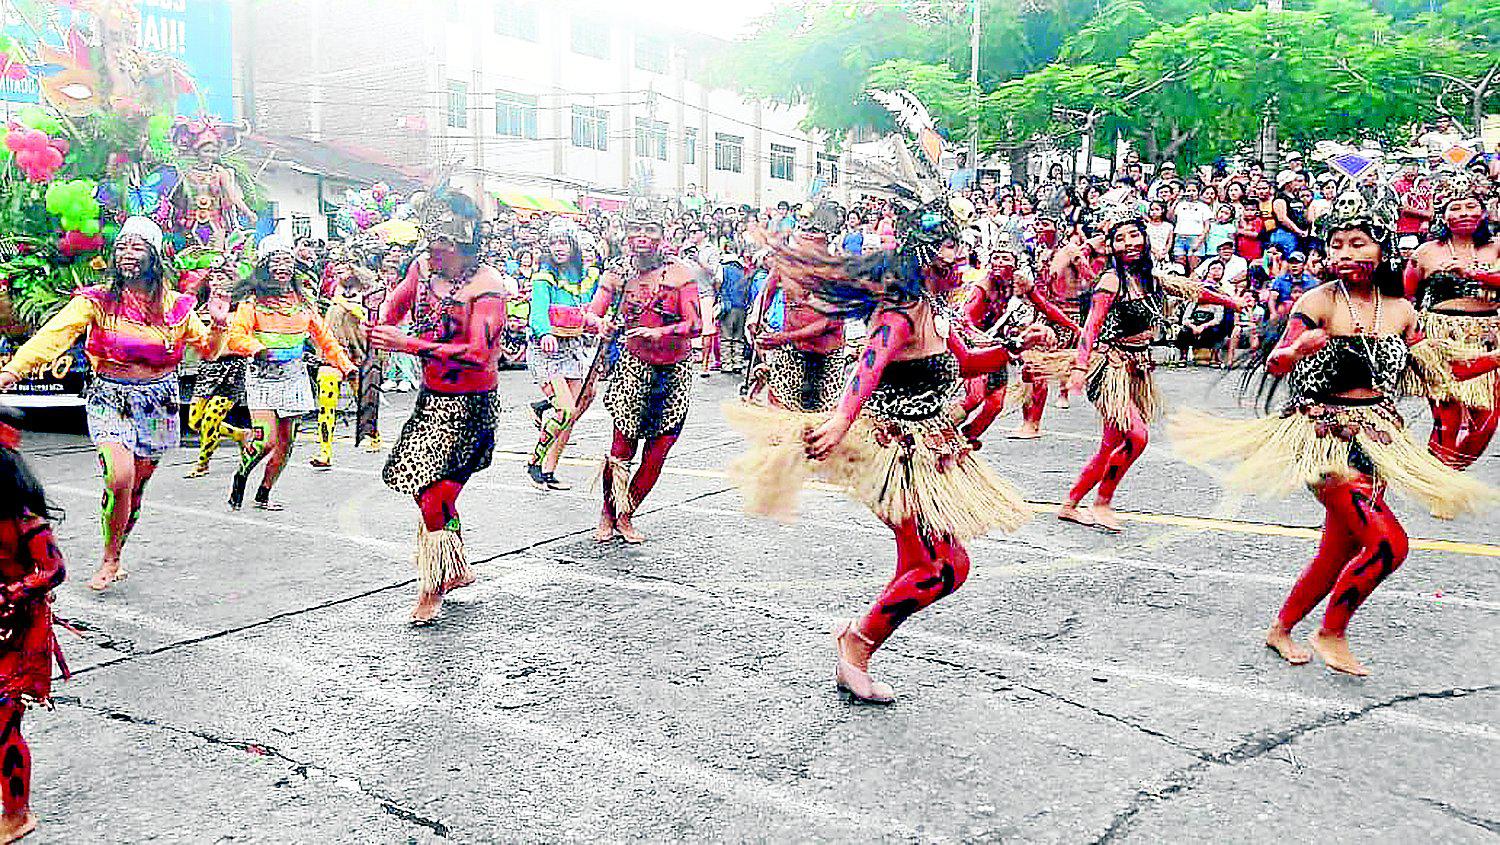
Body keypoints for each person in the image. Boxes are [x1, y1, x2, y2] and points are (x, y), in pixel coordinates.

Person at [1171, 190, 1500, 675]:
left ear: (1383, 246)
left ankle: (1281, 629)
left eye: (1357, 243)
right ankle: (1332, 632)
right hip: (1324, 442)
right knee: (1390, 545)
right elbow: (1279, 362)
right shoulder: (1317, 301)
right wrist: (1299, 345)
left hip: (1381, 442)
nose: (1344, 254)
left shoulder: (1401, 311)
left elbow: (1443, 369)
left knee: (1338, 550)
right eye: (1337, 245)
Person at [724, 194, 1029, 703]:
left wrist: (1015, 349)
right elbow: (871, 358)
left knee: (925, 567)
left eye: (961, 253)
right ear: (926, 255)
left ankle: (855, 645)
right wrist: (842, 418)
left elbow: (968, 365)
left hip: (931, 449)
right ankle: (856, 648)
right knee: (944, 568)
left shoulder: (931, 308)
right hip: (894, 451)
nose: (960, 265)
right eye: (951, 254)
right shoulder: (900, 312)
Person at [0, 218, 229, 590]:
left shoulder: (177, 308)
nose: (127, 254)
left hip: (159, 402)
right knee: (118, 476)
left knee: (135, 488)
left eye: (137, 248)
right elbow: (54, 336)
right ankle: (109, 559)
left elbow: (209, 351)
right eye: (122, 247)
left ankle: (116, 552)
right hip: (110, 395)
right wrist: (11, 373)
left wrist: (219, 326)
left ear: (155, 256)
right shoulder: (98, 301)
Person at [1047, 207, 1244, 532]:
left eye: (1134, 235)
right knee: (1137, 437)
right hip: (1109, 369)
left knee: (1110, 446)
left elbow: (1193, 290)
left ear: (1145, 238)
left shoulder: (1151, 279)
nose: (1128, 243)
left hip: (1137, 368)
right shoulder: (1111, 281)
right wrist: (1080, 367)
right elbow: (1091, 327)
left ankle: (1070, 503)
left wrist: (1233, 303)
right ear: (1111, 246)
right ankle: (1102, 502)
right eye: (1119, 238)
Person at [372, 190, 510, 624]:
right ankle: (456, 566)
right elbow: (391, 309)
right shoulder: (420, 269)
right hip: (432, 401)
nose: (429, 251)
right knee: (419, 487)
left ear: (461, 244)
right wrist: (372, 323)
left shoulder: (487, 288)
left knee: (436, 494)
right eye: (428, 242)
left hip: (472, 407)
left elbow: (478, 353)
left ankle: (433, 585)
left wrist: (407, 344)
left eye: (438, 245)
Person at [587, 191, 702, 544]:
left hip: (674, 372)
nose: (642, 236)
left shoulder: (681, 274)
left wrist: (659, 332)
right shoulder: (618, 274)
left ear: (662, 234)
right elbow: (592, 312)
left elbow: (695, 325)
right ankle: (608, 512)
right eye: (636, 228)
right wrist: (599, 324)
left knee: (658, 450)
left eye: (649, 229)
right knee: (621, 448)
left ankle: (628, 513)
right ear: (626, 233)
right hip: (634, 367)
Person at [222, 234, 354, 511]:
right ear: (264, 265)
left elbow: (325, 339)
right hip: (262, 376)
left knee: (286, 444)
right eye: (276, 261)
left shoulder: (303, 302)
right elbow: (236, 337)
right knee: (265, 440)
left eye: (287, 261)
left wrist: (346, 366)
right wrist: (256, 348)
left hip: (294, 377)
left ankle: (264, 493)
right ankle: (241, 476)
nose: (283, 266)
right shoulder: (251, 302)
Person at [0, 413, 66, 843]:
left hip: (13, 634)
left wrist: (12, 593)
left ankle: (17, 814)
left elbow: (54, 570)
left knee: (4, 722)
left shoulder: (26, 523)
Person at [1405, 174, 1500, 469]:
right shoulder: (1426, 251)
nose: (1464, 214)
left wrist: (1475, 273)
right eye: (1455, 208)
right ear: (1443, 215)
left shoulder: (1496, 248)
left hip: (1486, 337)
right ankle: (1440, 477)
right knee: (1447, 415)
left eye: (1471, 206)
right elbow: (1406, 296)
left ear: (1484, 212)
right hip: (1440, 337)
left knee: (1487, 417)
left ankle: (1450, 470)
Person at [965, 243, 1080, 442]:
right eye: (996, 258)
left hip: (1000, 347)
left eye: (1005, 258)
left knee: (995, 405)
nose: (1000, 263)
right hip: (973, 349)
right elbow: (965, 322)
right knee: (974, 397)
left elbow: (1044, 306)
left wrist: (1075, 328)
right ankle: (942, 435)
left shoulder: (1019, 282)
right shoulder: (981, 289)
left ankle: (965, 440)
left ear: (1015, 263)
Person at [752, 202, 848, 413]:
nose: (806, 235)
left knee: (818, 421)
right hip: (791, 348)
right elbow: (767, 292)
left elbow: (830, 322)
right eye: (804, 229)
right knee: (781, 411)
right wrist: (754, 318)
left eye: (813, 231)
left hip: (824, 355)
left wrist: (784, 337)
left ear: (825, 238)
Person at [525, 221, 600, 490]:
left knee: (573, 410)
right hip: (548, 350)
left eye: (563, 242)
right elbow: (538, 310)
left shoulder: (581, 277)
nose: (558, 248)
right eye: (554, 243)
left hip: (572, 348)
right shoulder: (544, 276)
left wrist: (597, 322)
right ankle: (534, 463)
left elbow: (586, 308)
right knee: (566, 409)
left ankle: (549, 470)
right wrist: (544, 332)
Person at [311, 252, 386, 469]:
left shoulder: (371, 292)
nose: (338, 270)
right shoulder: (333, 290)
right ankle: (325, 452)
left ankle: (374, 435)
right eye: (336, 265)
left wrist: (347, 305)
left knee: (363, 399)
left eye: (344, 266)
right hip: (332, 355)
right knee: (326, 404)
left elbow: (371, 318)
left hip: (357, 355)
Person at [183, 255, 248, 478]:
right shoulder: (201, 307)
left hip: (232, 369)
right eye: (214, 278)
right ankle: (240, 435)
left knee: (211, 417)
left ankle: (202, 463)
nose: (217, 282)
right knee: (195, 421)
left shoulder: (243, 309)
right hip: (207, 369)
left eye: (223, 277)